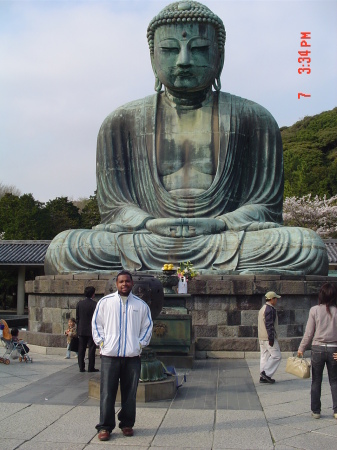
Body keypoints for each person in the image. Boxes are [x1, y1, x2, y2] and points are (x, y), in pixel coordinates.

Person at [44, 1, 328, 276]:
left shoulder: (254, 119)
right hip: (148, 239)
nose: (184, 61)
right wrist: (149, 223)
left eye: (200, 49)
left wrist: (218, 225)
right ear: (153, 57)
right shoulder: (120, 123)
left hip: (225, 238)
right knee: (64, 248)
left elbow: (265, 207)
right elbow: (115, 208)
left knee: (305, 246)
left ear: (220, 56)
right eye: (169, 49)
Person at [92, 270, 153, 441]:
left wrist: (139, 344)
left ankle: (127, 423)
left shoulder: (140, 305)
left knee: (130, 393)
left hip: (132, 356)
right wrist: (102, 343)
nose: (124, 284)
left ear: (132, 283)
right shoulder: (105, 302)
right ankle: (105, 426)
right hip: (110, 355)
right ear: (116, 284)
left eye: (127, 281)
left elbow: (147, 327)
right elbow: (97, 324)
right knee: (107, 392)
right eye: (121, 282)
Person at [298, 282, 337, 420]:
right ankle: (336, 410)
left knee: (316, 381)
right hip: (334, 349)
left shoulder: (314, 310)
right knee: (334, 381)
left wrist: (301, 348)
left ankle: (316, 411)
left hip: (318, 349)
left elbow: (309, 333)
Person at [258, 291, 282, 384]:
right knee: (277, 356)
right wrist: (271, 338)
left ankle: (262, 376)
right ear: (272, 299)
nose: (277, 300)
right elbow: (269, 325)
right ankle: (266, 373)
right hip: (268, 337)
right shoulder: (270, 309)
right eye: (276, 298)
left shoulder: (263, 308)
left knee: (264, 357)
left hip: (262, 337)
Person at [76, 286, 99, 373]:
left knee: (81, 349)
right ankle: (91, 367)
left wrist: (78, 329)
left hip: (81, 329)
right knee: (91, 349)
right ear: (93, 294)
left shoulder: (79, 303)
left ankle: (81, 367)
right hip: (91, 330)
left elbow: (77, 318)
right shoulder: (95, 304)